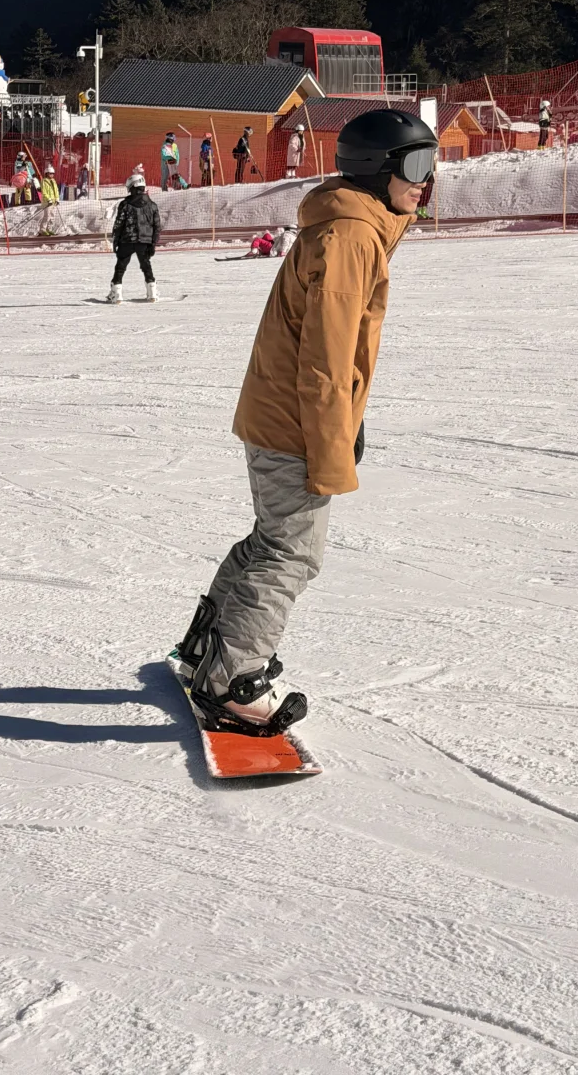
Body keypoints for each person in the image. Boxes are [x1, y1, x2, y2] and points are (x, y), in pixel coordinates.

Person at [171, 107, 437, 733]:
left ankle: (207, 651)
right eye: (418, 165)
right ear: (378, 170)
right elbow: (325, 354)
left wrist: (347, 415)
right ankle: (231, 682)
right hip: (293, 420)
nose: (427, 181)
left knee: (271, 541)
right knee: (292, 554)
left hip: (277, 410)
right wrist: (333, 441)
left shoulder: (356, 223)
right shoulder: (351, 235)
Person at [106, 171, 161, 303]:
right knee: (146, 265)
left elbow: (119, 223)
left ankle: (116, 294)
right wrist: (153, 243)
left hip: (127, 240)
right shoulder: (152, 205)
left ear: (132, 187)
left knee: (120, 266)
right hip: (145, 241)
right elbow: (157, 226)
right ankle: (152, 292)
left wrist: (116, 240)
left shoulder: (125, 204)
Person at [39, 163, 61, 236]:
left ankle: (49, 229)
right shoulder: (44, 181)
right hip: (47, 202)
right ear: (47, 174)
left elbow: (56, 190)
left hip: (54, 202)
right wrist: (49, 199)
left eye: (53, 174)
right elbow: (44, 191)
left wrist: (57, 198)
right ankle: (42, 230)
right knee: (47, 216)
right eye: (50, 174)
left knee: (52, 216)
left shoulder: (53, 181)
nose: (52, 175)